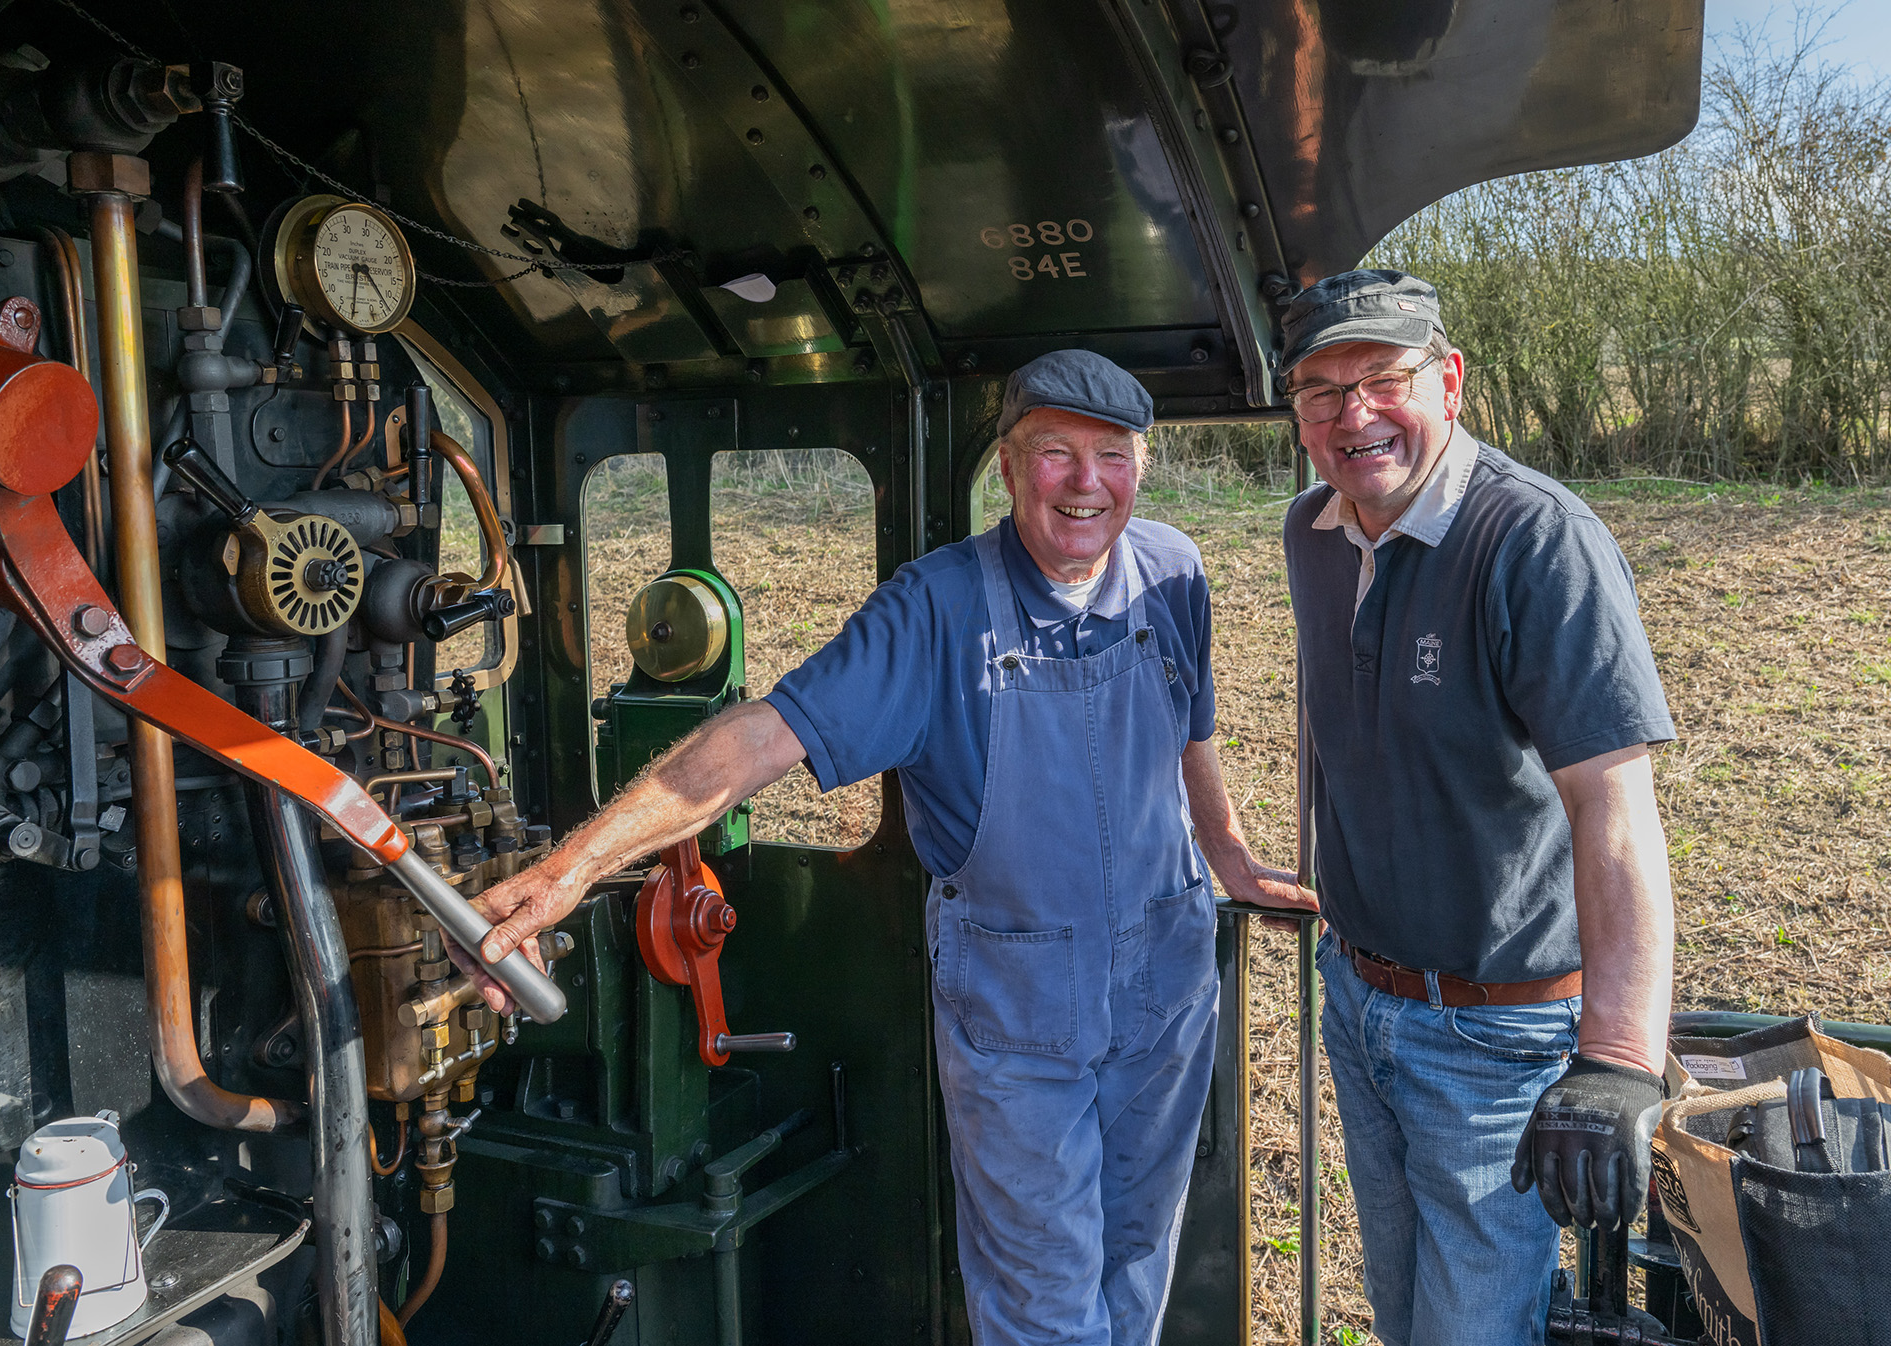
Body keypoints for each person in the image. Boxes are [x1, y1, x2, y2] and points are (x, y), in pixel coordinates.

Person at [458, 350, 1314, 1346]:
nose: (1085, 482)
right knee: (1044, 1306)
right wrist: (571, 867)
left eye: (1110, 454)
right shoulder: (935, 609)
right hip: (1017, 1001)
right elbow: (756, 739)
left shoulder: (1173, 571)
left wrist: (1229, 850)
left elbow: (1190, 722)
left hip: (1164, 987)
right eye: (1054, 453)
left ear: (1142, 465)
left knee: (1137, 1259)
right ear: (1005, 463)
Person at [1277, 269, 1677, 1346]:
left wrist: (1617, 1057)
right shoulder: (1309, 531)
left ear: (1447, 381)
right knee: (1405, 1308)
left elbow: (1612, 801)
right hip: (1358, 998)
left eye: (1380, 379)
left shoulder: (1534, 539)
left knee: (1469, 1329)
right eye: (1319, 390)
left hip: (1494, 1030)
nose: (1350, 414)